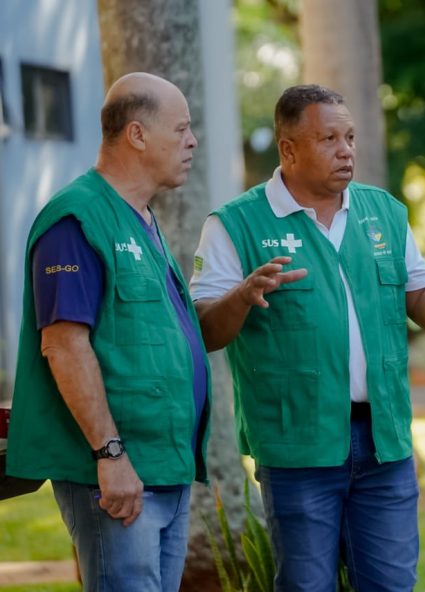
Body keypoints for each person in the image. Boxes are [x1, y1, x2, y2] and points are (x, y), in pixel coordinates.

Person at [189, 84, 425, 592]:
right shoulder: (235, 224)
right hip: (298, 449)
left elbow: (423, 305)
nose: (346, 150)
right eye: (329, 138)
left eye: (351, 137)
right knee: (307, 586)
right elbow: (203, 329)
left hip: (384, 444)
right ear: (288, 150)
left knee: (391, 585)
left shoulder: (385, 213)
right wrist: (243, 295)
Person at [6, 72, 210, 591]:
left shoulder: (141, 219)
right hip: (117, 476)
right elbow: (64, 345)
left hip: (164, 469)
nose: (192, 141)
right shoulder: (76, 219)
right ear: (137, 135)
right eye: (181, 129)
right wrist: (111, 455)